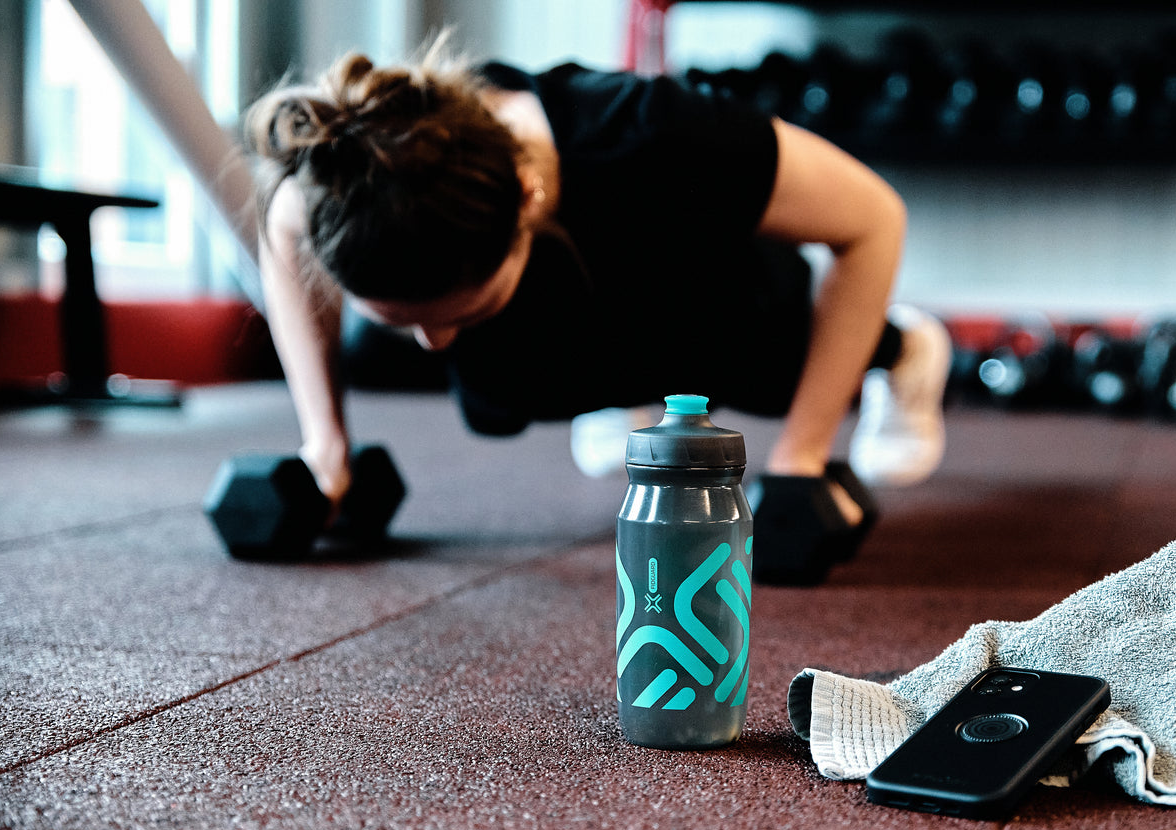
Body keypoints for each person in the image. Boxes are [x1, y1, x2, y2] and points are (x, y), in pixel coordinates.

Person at [243, 34, 950, 524]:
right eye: (409, 319)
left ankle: (904, 349)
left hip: (706, 275)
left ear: (525, 193)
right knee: (491, 393)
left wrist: (802, 455)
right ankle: (621, 382)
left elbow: (874, 219)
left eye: (457, 310)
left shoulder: (657, 133)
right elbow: (281, 230)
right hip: (569, 274)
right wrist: (324, 444)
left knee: (764, 367)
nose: (433, 343)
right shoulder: (339, 177)